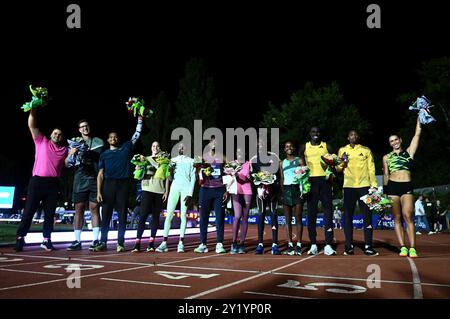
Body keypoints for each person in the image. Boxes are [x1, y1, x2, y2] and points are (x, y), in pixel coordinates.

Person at [15, 108, 68, 251]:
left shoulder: (64, 150)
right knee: (29, 211)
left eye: (60, 134)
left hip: (53, 184)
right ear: (51, 134)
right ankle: (20, 238)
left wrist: (73, 153)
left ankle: (46, 240)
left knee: (50, 214)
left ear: (62, 137)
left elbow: (68, 164)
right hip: (37, 181)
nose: (57, 135)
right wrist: (33, 110)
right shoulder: (42, 141)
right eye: (55, 133)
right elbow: (32, 125)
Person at [94, 116, 143, 252]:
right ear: (108, 140)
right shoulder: (104, 155)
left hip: (123, 185)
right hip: (108, 185)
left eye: (116, 137)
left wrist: (140, 119)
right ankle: (103, 242)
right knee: (106, 216)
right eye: (111, 137)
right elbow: (100, 174)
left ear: (118, 139)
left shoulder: (125, 148)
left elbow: (136, 135)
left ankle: (120, 243)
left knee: (122, 215)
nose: (114, 139)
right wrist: (98, 191)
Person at [382, 117, 422, 257]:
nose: (394, 142)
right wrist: (385, 193)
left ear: (400, 140)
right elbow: (386, 175)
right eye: (391, 141)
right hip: (392, 187)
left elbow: (417, 134)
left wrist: (419, 119)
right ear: (390, 144)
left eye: (396, 140)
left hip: (406, 186)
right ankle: (403, 247)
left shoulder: (409, 152)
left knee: (408, 215)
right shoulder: (386, 157)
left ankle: (413, 247)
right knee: (397, 218)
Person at [337, 130, 379, 256]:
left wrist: (374, 185)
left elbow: (371, 168)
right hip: (348, 186)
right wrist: (343, 162)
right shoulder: (342, 150)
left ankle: (368, 246)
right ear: (347, 137)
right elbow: (338, 169)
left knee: (367, 216)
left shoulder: (366, 150)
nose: (353, 136)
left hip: (365, 186)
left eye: (355, 135)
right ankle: (349, 246)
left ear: (358, 137)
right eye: (351, 135)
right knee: (348, 217)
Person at [65, 119, 104, 251]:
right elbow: (67, 164)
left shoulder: (99, 142)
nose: (84, 128)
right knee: (79, 209)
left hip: (94, 178)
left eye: (86, 126)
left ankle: (95, 240)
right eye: (82, 127)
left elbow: (102, 162)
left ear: (89, 127)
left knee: (94, 208)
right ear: (79, 130)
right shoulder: (74, 143)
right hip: (80, 179)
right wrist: (71, 154)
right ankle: (77, 240)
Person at [299, 127, 336, 256]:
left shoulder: (327, 146)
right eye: (313, 132)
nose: (316, 134)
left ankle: (328, 244)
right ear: (310, 133)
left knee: (328, 213)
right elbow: (301, 162)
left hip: (325, 182)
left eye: (318, 132)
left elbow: (334, 162)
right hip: (311, 182)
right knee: (311, 214)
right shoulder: (305, 146)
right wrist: (302, 176)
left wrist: (331, 170)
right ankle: (313, 244)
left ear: (320, 134)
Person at [155, 142, 196, 253]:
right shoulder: (173, 160)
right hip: (174, 188)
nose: (181, 148)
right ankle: (164, 243)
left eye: (184, 146)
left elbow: (193, 178)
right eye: (180, 147)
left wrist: (190, 194)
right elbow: (170, 177)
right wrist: (170, 172)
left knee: (183, 215)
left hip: (186, 189)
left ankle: (181, 243)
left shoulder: (192, 161)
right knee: (169, 215)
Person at [131, 141, 170, 252]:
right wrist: (138, 168)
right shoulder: (144, 159)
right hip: (147, 189)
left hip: (159, 191)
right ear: (151, 148)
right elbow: (138, 176)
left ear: (160, 148)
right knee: (143, 216)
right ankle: (137, 243)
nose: (155, 147)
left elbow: (167, 177)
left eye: (157, 146)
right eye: (153, 145)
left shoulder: (164, 160)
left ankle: (151, 243)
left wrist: (166, 191)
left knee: (155, 217)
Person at [194, 137, 229, 254]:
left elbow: (229, 173)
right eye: (211, 141)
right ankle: (203, 244)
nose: (214, 143)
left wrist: (227, 190)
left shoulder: (223, 157)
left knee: (219, 218)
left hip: (219, 190)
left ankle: (219, 243)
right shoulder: (202, 157)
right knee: (203, 218)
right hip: (205, 190)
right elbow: (196, 175)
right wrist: (201, 173)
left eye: (216, 141)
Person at [250, 138, 281, 255]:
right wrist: (258, 185)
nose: (261, 146)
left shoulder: (274, 157)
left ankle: (275, 244)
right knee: (261, 214)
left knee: (273, 214)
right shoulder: (253, 160)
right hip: (260, 192)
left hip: (272, 192)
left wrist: (276, 188)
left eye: (263, 143)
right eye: (259, 144)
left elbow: (278, 175)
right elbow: (252, 177)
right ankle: (260, 244)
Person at [280, 140, 305, 256]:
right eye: (286, 146)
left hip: (296, 190)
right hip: (286, 190)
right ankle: (290, 244)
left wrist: (303, 190)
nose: (289, 148)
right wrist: (283, 191)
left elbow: (305, 176)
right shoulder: (282, 163)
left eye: (291, 146)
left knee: (298, 218)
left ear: (293, 148)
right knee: (287, 220)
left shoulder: (299, 160)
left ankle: (299, 244)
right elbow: (281, 179)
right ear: (284, 149)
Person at [228, 148, 252, 254]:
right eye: (238, 152)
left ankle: (242, 243)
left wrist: (238, 174)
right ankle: (234, 243)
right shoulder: (232, 164)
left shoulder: (248, 164)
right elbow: (228, 177)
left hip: (247, 191)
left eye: (241, 152)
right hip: (235, 191)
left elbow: (247, 178)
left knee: (245, 217)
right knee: (237, 216)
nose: (239, 154)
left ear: (244, 153)